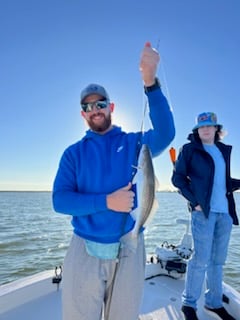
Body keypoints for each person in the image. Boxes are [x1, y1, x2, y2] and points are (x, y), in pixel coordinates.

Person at [52, 42, 175, 320]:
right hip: (84, 247)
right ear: (83, 113)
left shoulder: (135, 143)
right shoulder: (73, 154)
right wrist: (108, 202)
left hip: (130, 247)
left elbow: (166, 133)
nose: (95, 109)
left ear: (112, 107)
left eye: (101, 103)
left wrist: (150, 83)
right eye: (88, 106)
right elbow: (60, 200)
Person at [171, 112, 240, 320]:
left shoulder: (222, 151)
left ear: (217, 129)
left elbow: (223, 182)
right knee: (200, 259)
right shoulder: (190, 149)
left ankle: (214, 303)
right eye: (201, 127)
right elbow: (178, 179)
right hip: (204, 213)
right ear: (197, 130)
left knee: (218, 261)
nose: (205, 130)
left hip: (224, 213)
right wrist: (195, 202)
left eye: (210, 126)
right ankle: (189, 304)